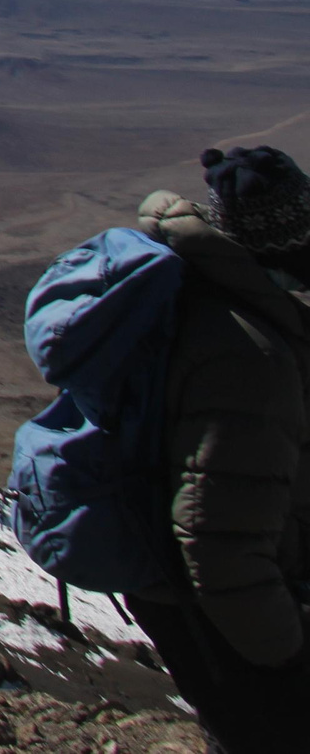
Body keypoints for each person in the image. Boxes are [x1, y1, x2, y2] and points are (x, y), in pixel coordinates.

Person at [126, 144, 310, 753]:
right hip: (214, 609)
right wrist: (290, 655)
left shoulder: (205, 294)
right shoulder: (251, 356)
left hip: (188, 597)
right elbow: (217, 544)